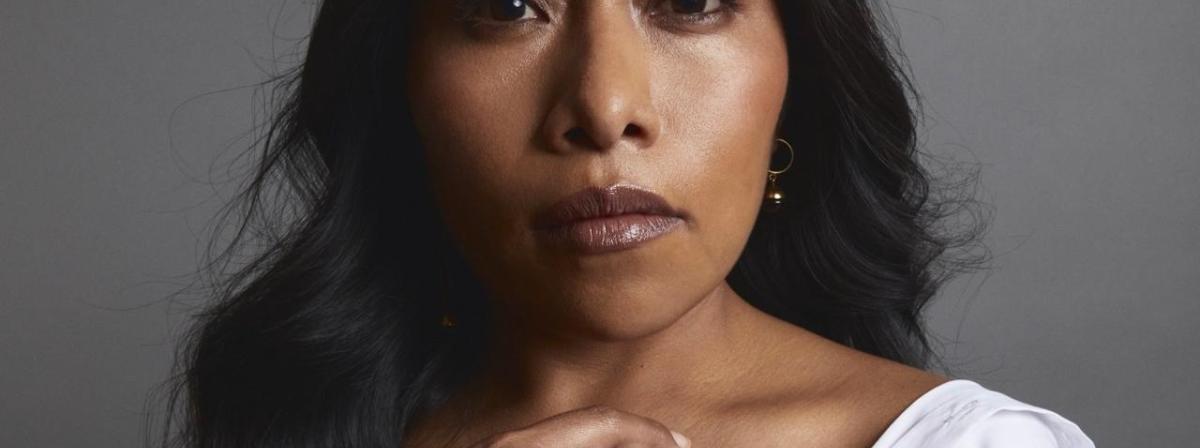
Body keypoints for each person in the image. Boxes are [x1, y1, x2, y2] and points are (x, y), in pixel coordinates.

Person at [154, 0, 1095, 447]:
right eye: (507, 5)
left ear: (795, 83)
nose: (605, 108)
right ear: (402, 90)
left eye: (689, 3)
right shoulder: (294, 422)